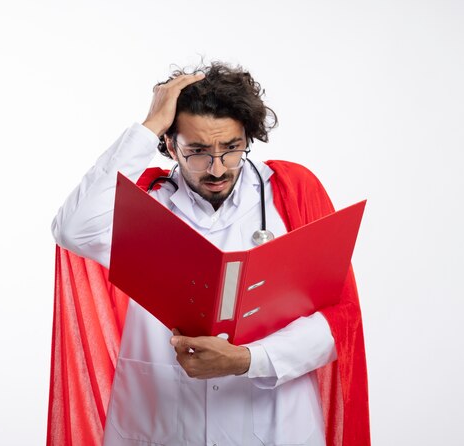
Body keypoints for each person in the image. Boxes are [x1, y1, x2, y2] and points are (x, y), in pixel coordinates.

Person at [49, 62, 370, 446]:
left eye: (231, 149)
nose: (217, 168)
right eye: (197, 151)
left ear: (247, 138)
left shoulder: (291, 195)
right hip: (160, 427)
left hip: (276, 429)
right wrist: (149, 125)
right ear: (170, 145)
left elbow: (339, 321)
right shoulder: (143, 206)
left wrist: (248, 360)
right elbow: (71, 228)